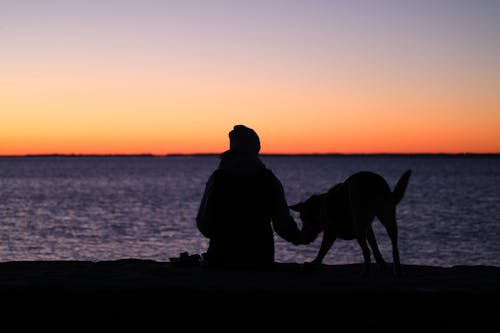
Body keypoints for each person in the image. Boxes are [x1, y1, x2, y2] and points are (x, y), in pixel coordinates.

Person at [196, 125, 302, 270]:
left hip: (221, 260)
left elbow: (205, 226)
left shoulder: (218, 179)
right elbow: (283, 225)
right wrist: (301, 238)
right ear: (256, 149)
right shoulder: (269, 180)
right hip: (259, 260)